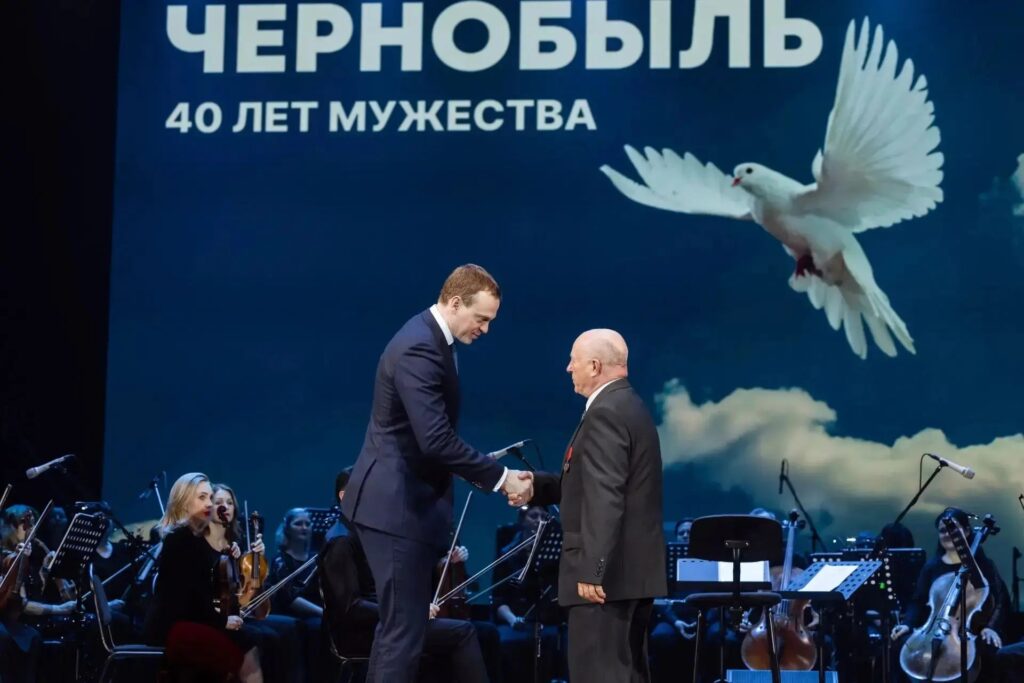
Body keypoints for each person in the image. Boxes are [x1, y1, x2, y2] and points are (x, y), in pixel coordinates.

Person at [342, 264, 533, 682]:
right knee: (403, 635)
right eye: (481, 318)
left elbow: (427, 440)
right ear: (455, 303)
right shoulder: (420, 347)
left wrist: (475, 469)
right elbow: (435, 440)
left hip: (402, 507)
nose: (485, 329)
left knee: (399, 632)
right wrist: (501, 477)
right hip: (396, 509)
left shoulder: (431, 340)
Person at [521, 328, 666, 682]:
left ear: (595, 366)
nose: (568, 368)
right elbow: (591, 484)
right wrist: (535, 487)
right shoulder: (628, 405)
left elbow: (606, 495)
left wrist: (593, 568)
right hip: (629, 575)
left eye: (574, 360)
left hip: (605, 581)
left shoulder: (606, 412)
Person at [323, 469, 491, 682]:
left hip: (388, 624)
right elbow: (351, 607)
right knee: (463, 632)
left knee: (482, 633)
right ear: (345, 496)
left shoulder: (367, 533)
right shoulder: (341, 541)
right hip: (363, 632)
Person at [141, 472, 263, 683]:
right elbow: (189, 597)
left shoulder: (195, 538)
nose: (209, 503)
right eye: (202, 497)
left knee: (250, 640)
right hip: (173, 627)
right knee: (244, 646)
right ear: (184, 502)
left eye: (210, 497)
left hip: (193, 621)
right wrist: (222, 621)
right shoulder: (180, 539)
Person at [890, 507, 1012, 682]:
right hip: (933, 630)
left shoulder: (983, 566)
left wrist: (990, 628)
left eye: (953, 529)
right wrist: (908, 624)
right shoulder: (931, 567)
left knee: (988, 648)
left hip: (972, 630)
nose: (947, 534)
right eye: (942, 531)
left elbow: (999, 600)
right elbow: (918, 601)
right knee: (901, 644)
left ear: (967, 531)